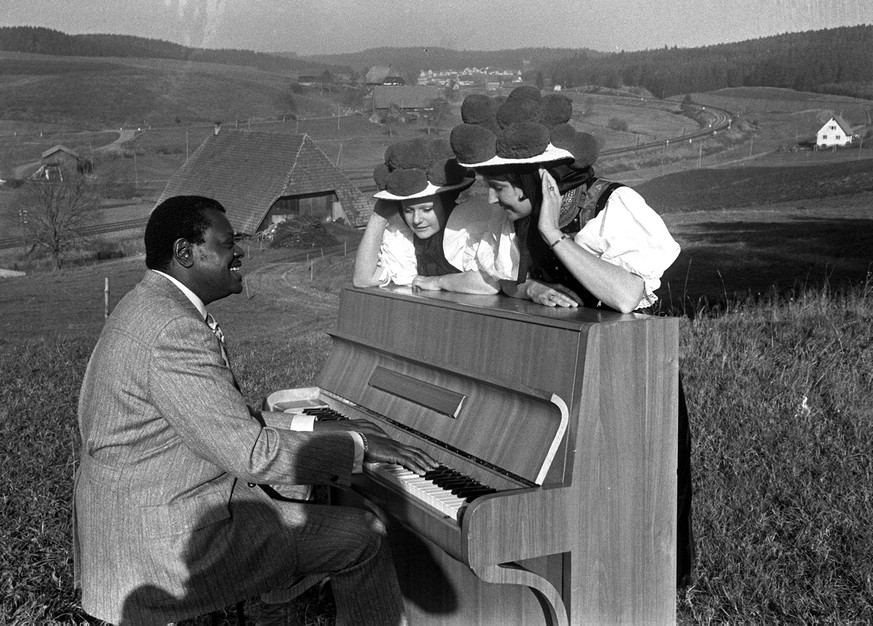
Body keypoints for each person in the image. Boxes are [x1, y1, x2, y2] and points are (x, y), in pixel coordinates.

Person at [73, 195, 437, 625]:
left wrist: (317, 424)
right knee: (363, 536)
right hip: (162, 543)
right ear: (184, 253)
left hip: (130, 522)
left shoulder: (147, 305)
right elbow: (250, 453)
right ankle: (276, 603)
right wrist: (355, 449)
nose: (240, 252)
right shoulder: (175, 330)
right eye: (227, 243)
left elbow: (220, 419)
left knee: (297, 493)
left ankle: (275, 606)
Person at [450, 87, 694, 586]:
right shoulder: (516, 220)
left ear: (533, 180)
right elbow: (501, 281)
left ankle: (653, 591)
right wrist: (532, 287)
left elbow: (627, 295)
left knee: (639, 492)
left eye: (499, 186)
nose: (493, 198)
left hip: (631, 376)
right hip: (565, 371)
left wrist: (554, 236)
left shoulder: (612, 204)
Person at [354, 137, 517, 294]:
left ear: (445, 204)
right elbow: (363, 279)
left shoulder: (468, 230)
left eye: (426, 209)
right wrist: (378, 216)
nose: (417, 220)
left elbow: (490, 284)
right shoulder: (405, 240)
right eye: (408, 210)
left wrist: (438, 282)